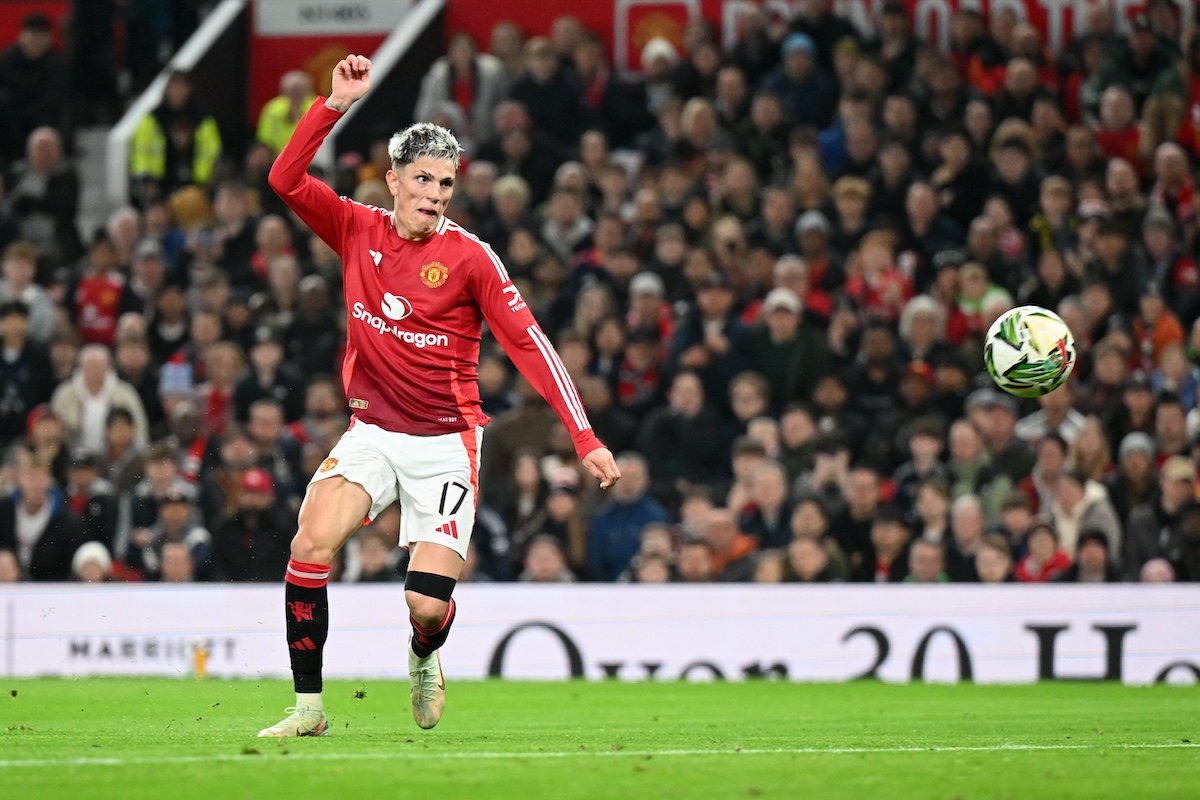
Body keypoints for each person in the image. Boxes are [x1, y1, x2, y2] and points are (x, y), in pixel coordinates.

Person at [259, 55, 619, 738]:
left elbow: (530, 344)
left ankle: (425, 656)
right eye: (422, 179)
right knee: (310, 543)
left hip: (445, 444)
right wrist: (333, 105)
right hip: (372, 432)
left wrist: (585, 436)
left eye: (446, 183)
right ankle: (309, 709)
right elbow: (283, 179)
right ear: (393, 181)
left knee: (425, 605)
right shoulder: (355, 228)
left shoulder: (472, 258)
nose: (434, 193)